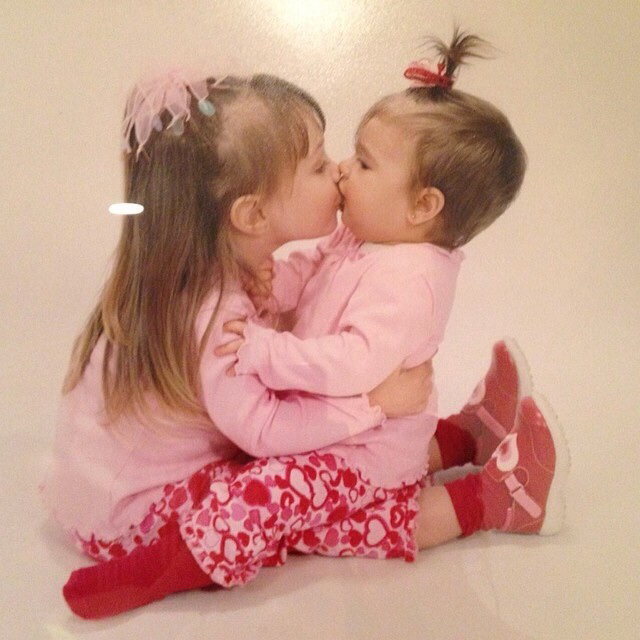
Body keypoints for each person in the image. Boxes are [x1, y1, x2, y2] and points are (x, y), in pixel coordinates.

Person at [45, 34, 567, 619]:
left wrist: (279, 329)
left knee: (298, 491)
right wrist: (370, 403)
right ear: (253, 213)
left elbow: (314, 299)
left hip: (313, 448)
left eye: (354, 162)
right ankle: (491, 498)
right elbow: (264, 432)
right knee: (279, 502)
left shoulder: (212, 268)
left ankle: (468, 439)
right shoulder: (220, 319)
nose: (339, 171)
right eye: (320, 164)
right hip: (140, 518)